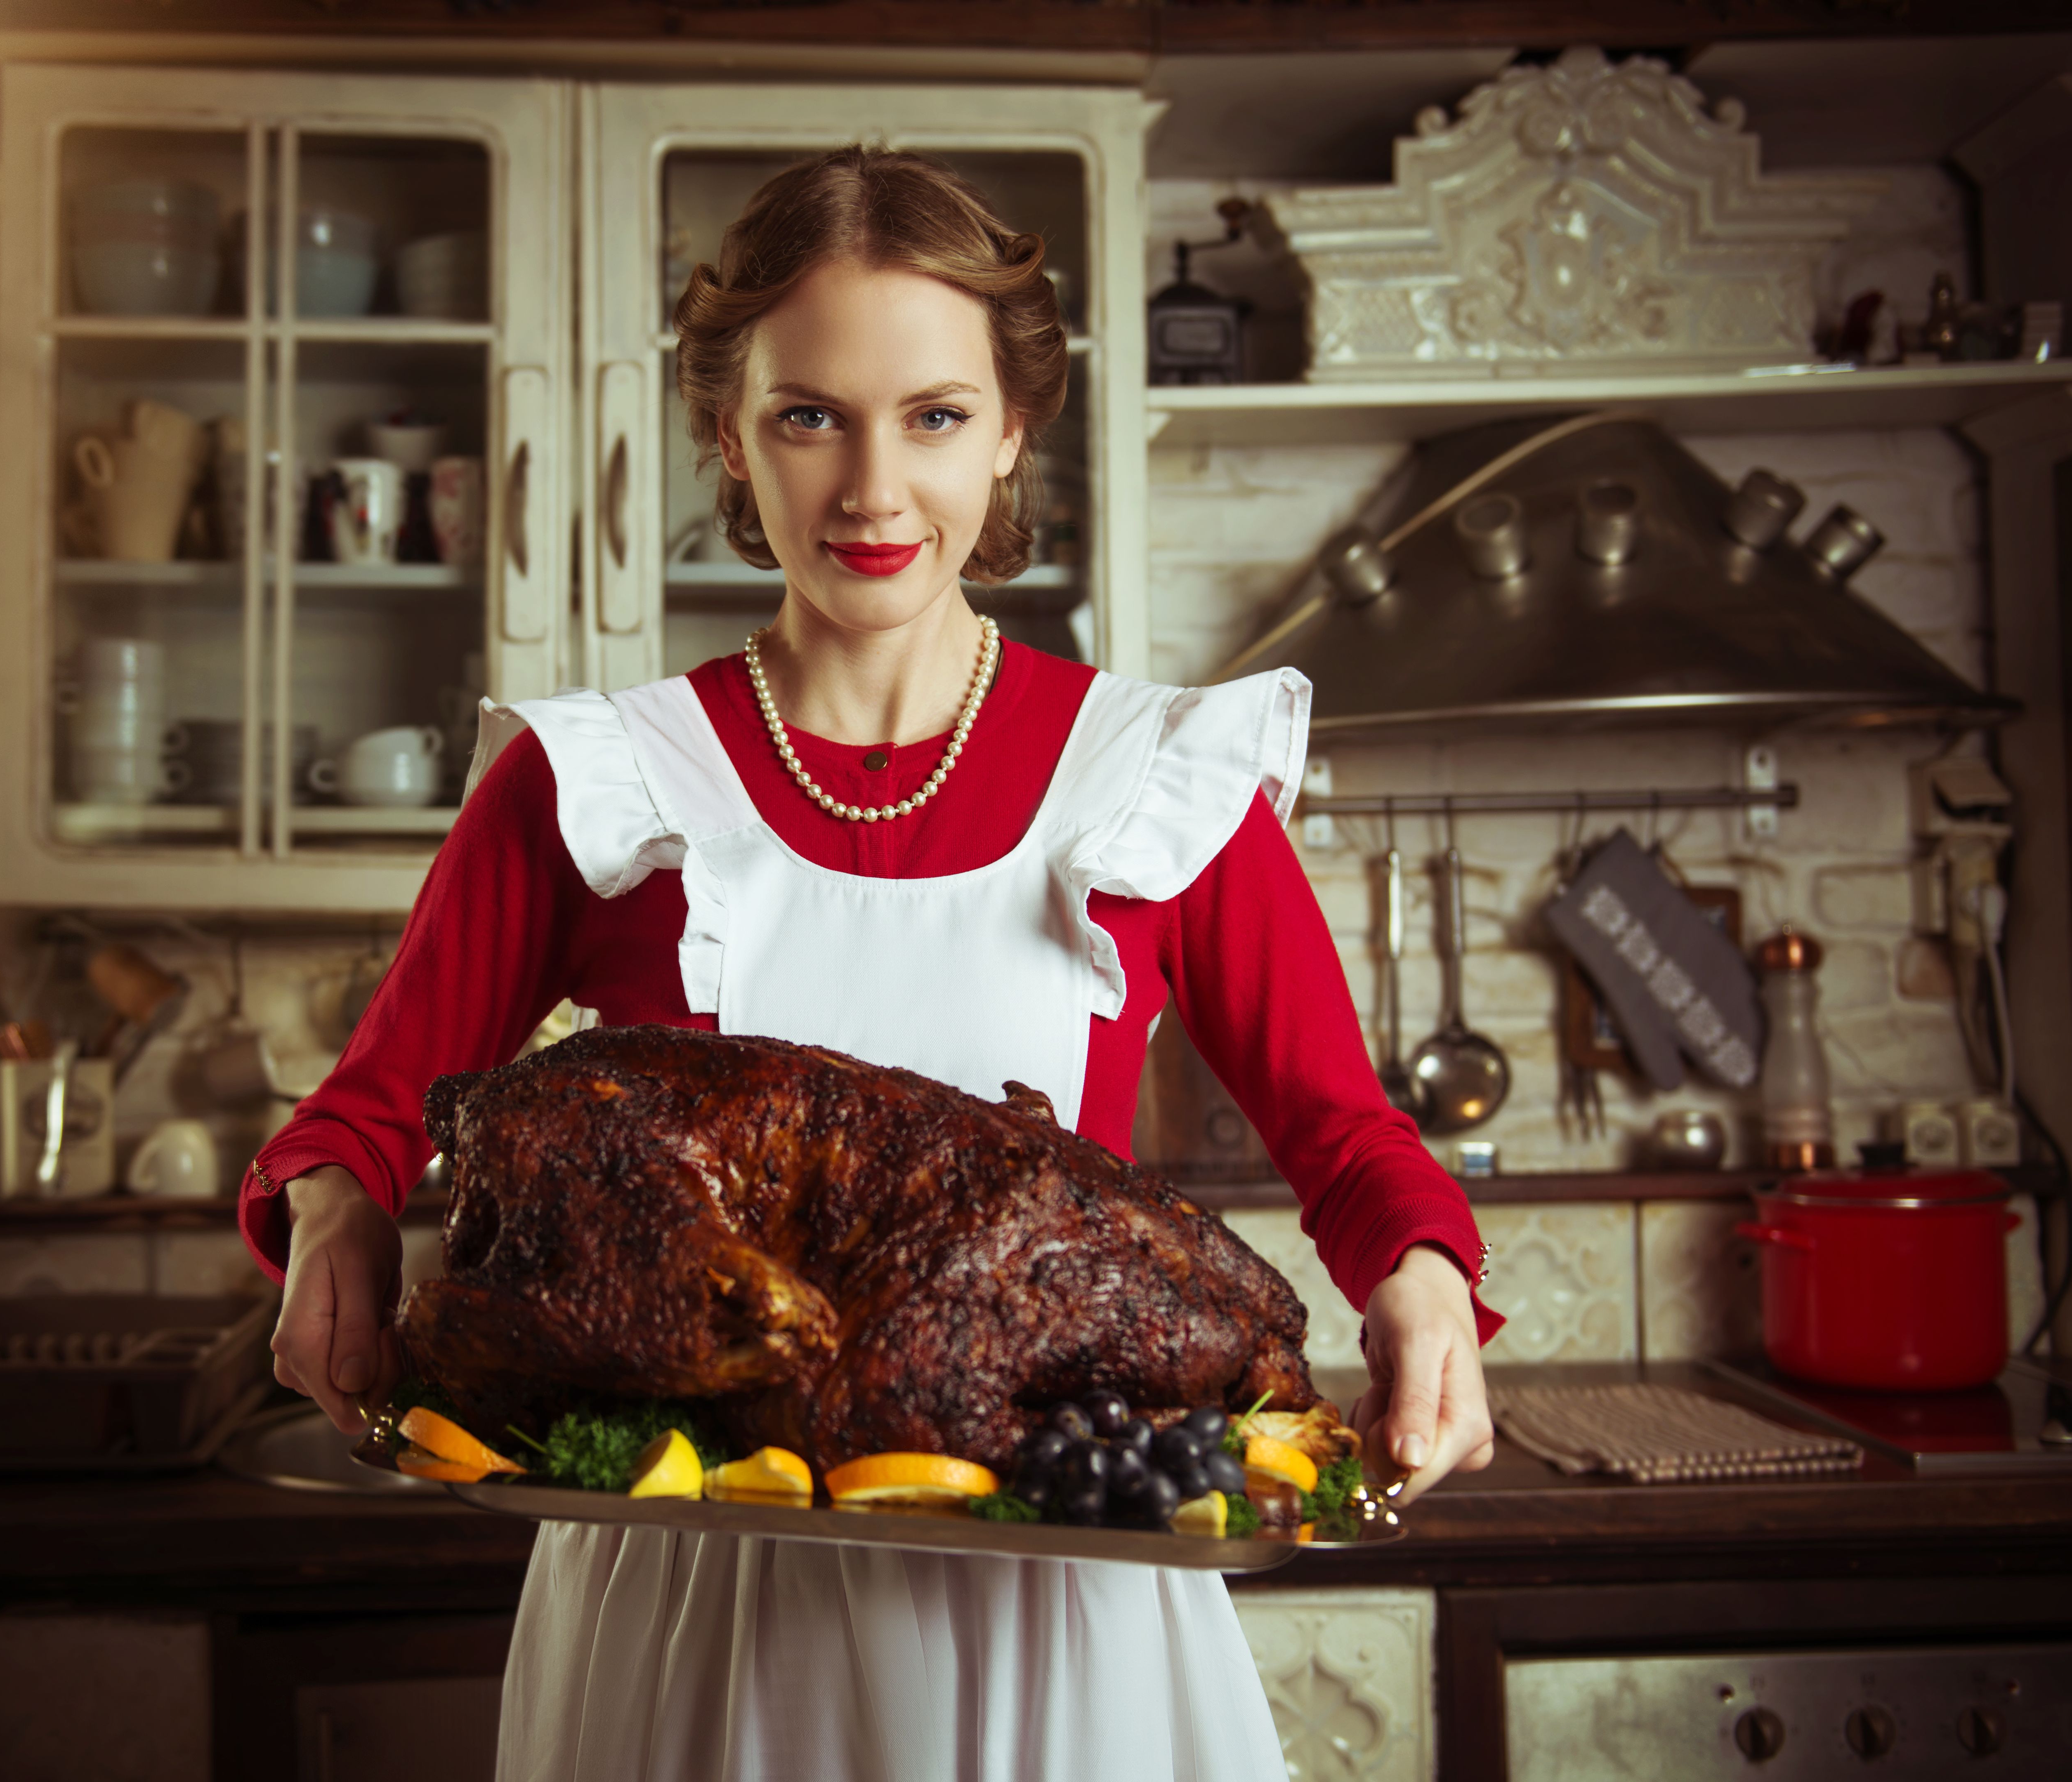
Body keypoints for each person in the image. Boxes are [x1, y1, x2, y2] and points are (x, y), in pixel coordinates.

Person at [243, 146, 1499, 1782]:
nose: (871, 493)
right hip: (688, 1616)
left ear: (1014, 431)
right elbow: (368, 1111)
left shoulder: (1154, 778)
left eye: (933, 416)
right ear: (724, 436)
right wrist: (331, 1216)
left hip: (1063, 1612)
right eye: (807, 416)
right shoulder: (589, 782)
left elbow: (1343, 1137)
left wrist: (1420, 1283)